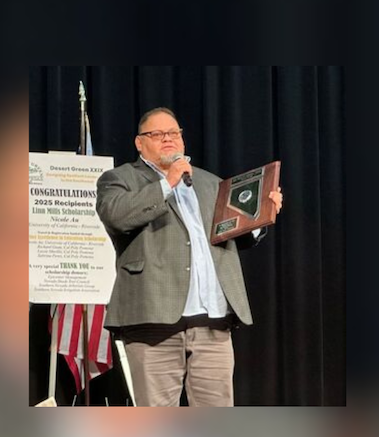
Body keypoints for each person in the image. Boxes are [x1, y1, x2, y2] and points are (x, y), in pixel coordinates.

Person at [96, 107, 283, 407]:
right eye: (156, 134)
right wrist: (166, 182)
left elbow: (232, 235)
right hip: (152, 321)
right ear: (139, 143)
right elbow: (117, 216)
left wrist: (262, 217)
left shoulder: (211, 183)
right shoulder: (119, 179)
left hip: (213, 322)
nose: (167, 139)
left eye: (174, 133)